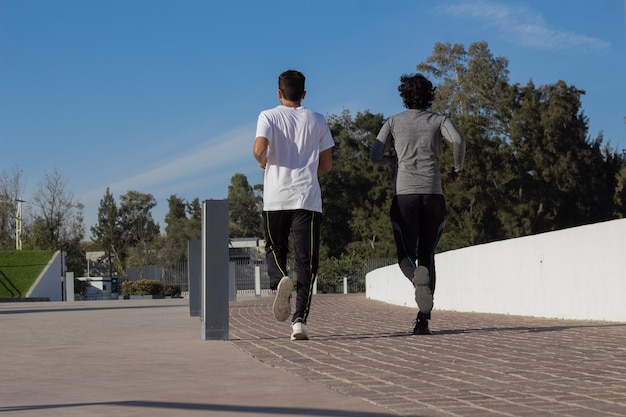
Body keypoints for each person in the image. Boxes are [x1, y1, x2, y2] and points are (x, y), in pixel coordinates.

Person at [370, 73, 465, 335]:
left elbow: (374, 154)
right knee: (427, 255)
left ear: (403, 96)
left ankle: (415, 278)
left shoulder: (393, 122)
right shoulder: (439, 120)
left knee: (404, 254)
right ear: (430, 96)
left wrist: (394, 161)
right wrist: (456, 169)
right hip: (433, 195)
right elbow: (457, 140)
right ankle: (423, 319)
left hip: (405, 196)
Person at [253, 69, 334, 341]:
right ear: (303, 94)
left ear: (279, 93)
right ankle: (299, 321)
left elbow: (258, 148)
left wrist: (263, 160)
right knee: (306, 263)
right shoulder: (318, 120)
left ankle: (279, 281)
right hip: (307, 200)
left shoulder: (268, 115)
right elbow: (326, 166)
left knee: (275, 248)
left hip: (275, 197)